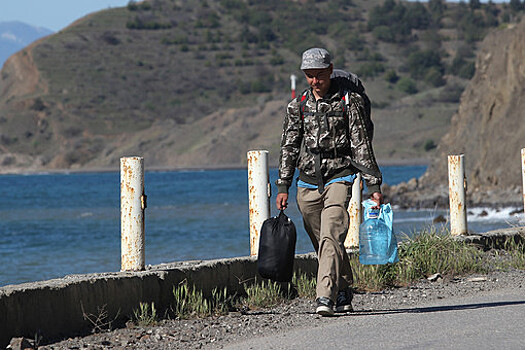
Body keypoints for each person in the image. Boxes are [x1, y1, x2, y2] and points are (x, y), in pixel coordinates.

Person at [275, 47, 383, 316]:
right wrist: (283, 185)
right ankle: (344, 287)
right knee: (325, 243)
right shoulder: (297, 106)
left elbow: (361, 143)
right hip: (307, 182)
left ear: (331, 70)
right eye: (310, 76)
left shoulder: (349, 102)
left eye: (319, 75)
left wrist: (373, 186)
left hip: (341, 176)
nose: (315, 81)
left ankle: (325, 297)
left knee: (331, 234)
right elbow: (289, 145)